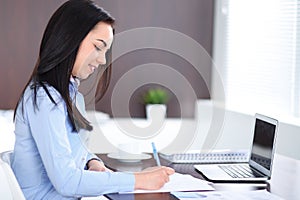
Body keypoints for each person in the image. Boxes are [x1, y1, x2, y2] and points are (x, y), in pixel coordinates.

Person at [11, 0, 174, 199]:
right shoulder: (45, 99)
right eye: (98, 47)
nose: (102, 60)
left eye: (106, 51)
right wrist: (139, 180)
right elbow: (67, 181)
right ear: (70, 38)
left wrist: (92, 161)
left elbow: (69, 149)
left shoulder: (69, 96)